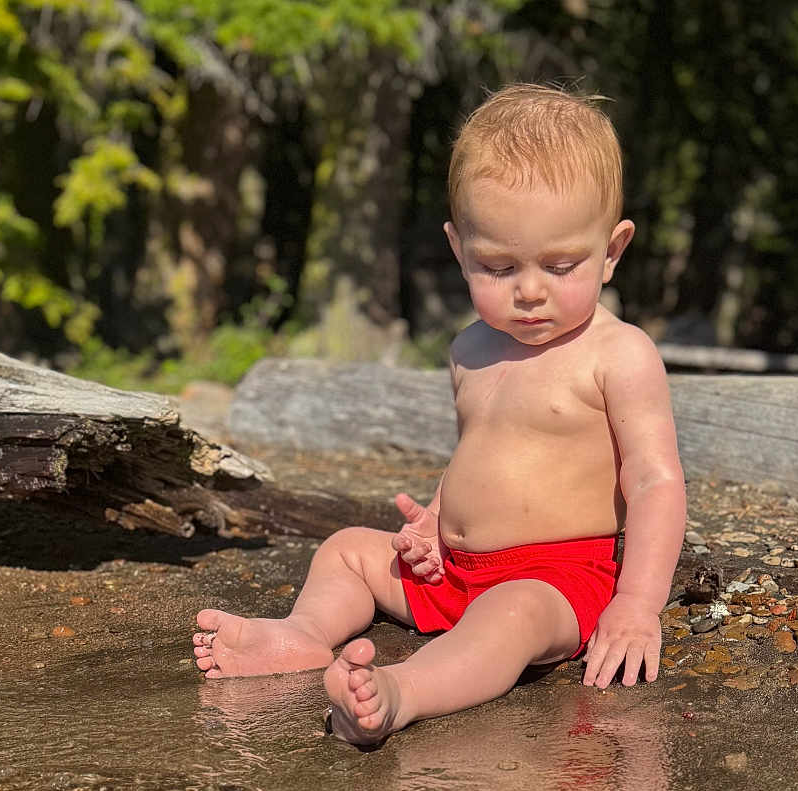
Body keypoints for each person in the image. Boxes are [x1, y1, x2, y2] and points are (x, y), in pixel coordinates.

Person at [191, 82, 686, 746]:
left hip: (557, 582)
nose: (530, 290)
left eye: (561, 265)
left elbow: (654, 481)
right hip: (454, 571)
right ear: (459, 250)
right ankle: (301, 636)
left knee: (508, 618)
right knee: (347, 551)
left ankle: (401, 694)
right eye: (498, 267)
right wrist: (435, 519)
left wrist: (636, 604)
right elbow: (478, 454)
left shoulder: (618, 354)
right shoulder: (470, 349)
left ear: (612, 251)